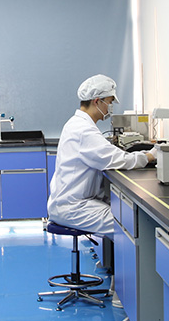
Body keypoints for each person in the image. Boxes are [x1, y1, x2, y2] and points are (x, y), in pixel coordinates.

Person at [47, 74, 156, 237]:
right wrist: (150, 156)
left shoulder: (78, 124)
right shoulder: (83, 130)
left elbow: (108, 153)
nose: (110, 107)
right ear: (97, 101)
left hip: (70, 202)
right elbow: (118, 159)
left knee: (125, 214)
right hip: (73, 208)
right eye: (110, 102)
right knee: (130, 224)